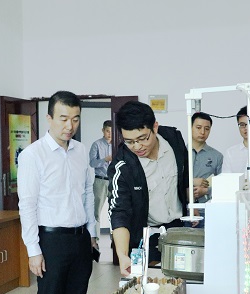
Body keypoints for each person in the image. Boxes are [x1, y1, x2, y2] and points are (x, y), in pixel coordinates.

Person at [17, 90, 96, 294]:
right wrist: (33, 251)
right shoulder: (33, 155)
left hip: (80, 239)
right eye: (63, 119)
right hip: (51, 241)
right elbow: (27, 205)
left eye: (75, 119)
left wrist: (92, 233)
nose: (70, 126)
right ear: (49, 118)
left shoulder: (81, 151)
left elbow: (87, 193)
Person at [108, 101, 188, 276]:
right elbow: (119, 211)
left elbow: (185, 175)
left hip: (180, 228)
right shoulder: (123, 166)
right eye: (129, 141)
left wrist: (190, 202)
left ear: (155, 127)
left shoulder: (174, 139)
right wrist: (122, 255)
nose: (137, 147)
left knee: (184, 281)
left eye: (143, 138)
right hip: (148, 235)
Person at [190, 112, 223, 228]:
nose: (202, 132)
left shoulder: (217, 156)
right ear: (190, 127)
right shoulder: (180, 153)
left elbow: (223, 187)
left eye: (207, 129)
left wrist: (206, 191)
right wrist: (192, 181)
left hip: (207, 211)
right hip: (183, 211)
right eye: (198, 127)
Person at [89, 120, 112, 238]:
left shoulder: (117, 145)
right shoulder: (96, 144)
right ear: (103, 131)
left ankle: (115, 240)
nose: (109, 134)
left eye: (111, 132)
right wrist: (104, 160)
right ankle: (96, 238)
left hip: (114, 181)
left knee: (115, 211)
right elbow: (92, 163)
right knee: (96, 211)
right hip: (100, 181)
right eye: (107, 131)